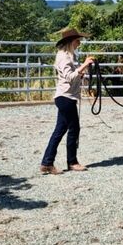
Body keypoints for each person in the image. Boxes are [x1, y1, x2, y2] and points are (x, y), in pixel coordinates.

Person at [40, 28, 95, 174]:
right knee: (72, 129)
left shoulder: (68, 56)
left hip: (66, 97)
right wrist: (84, 65)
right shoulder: (64, 57)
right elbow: (69, 77)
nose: (79, 43)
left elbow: (72, 76)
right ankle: (71, 162)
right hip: (66, 98)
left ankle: (48, 162)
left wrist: (82, 72)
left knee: (61, 130)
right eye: (77, 40)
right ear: (71, 42)